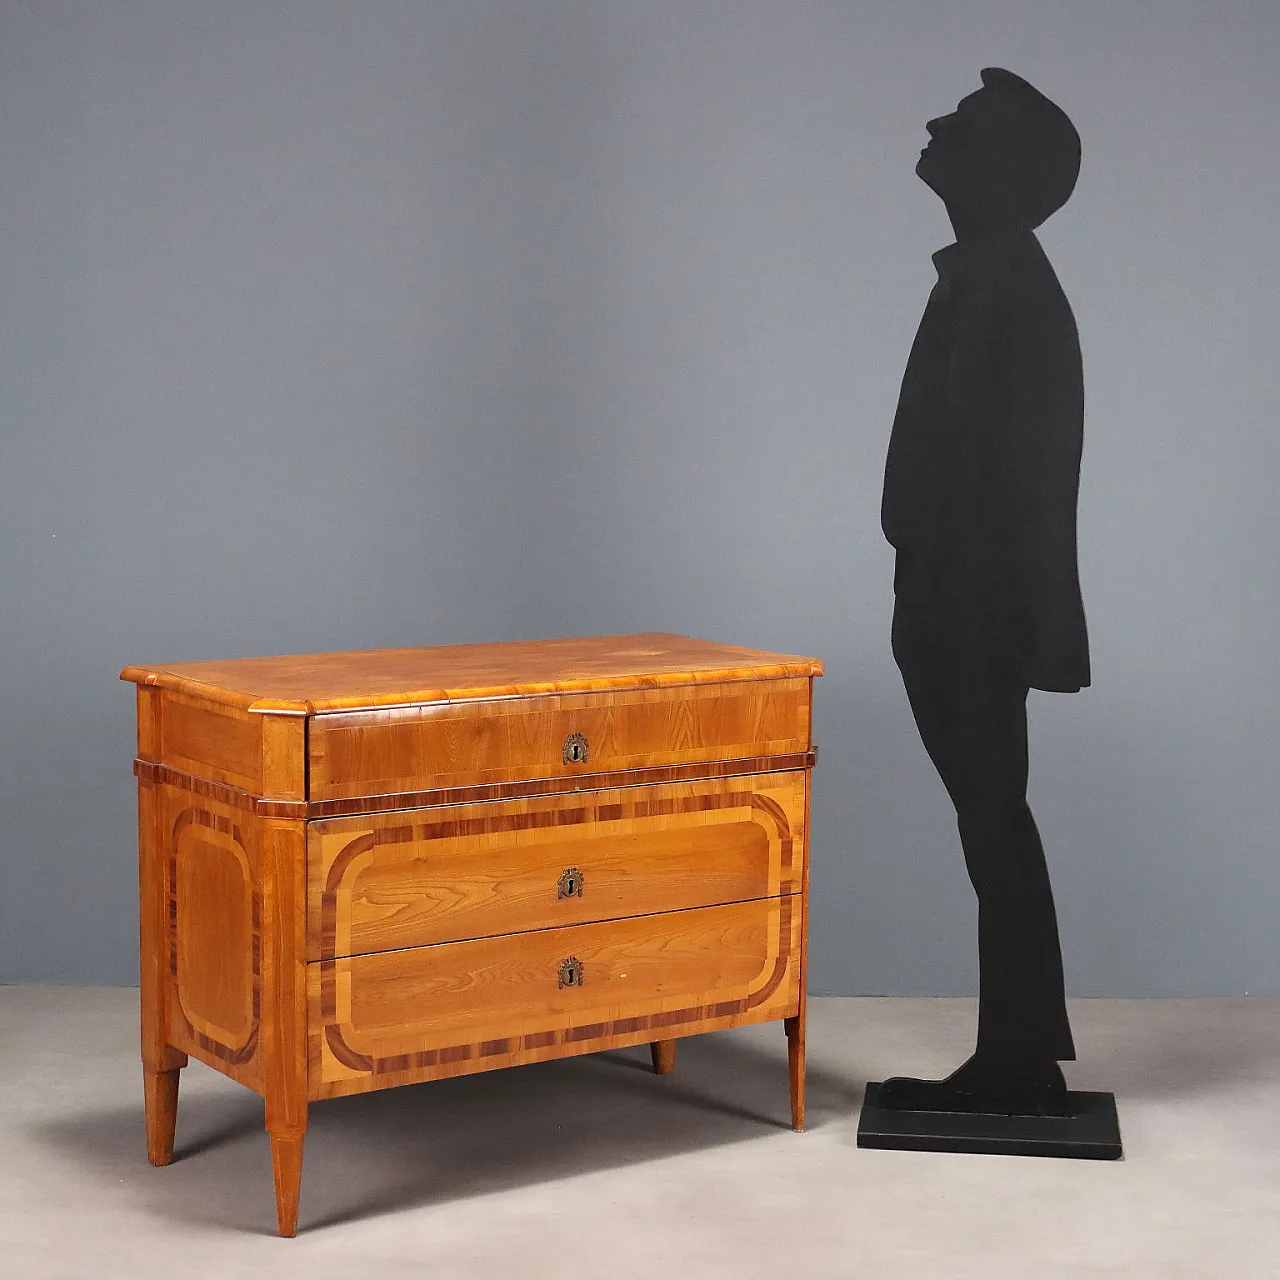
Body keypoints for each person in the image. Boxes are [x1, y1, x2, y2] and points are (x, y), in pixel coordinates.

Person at [879, 67, 1088, 1113]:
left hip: (969, 612)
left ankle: (1015, 1054)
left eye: (958, 123)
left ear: (997, 169)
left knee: (992, 819)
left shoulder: (1008, 287)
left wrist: (1009, 626)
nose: (931, 123)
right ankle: (1020, 1045)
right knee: (991, 818)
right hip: (950, 602)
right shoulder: (986, 277)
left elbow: (1030, 474)